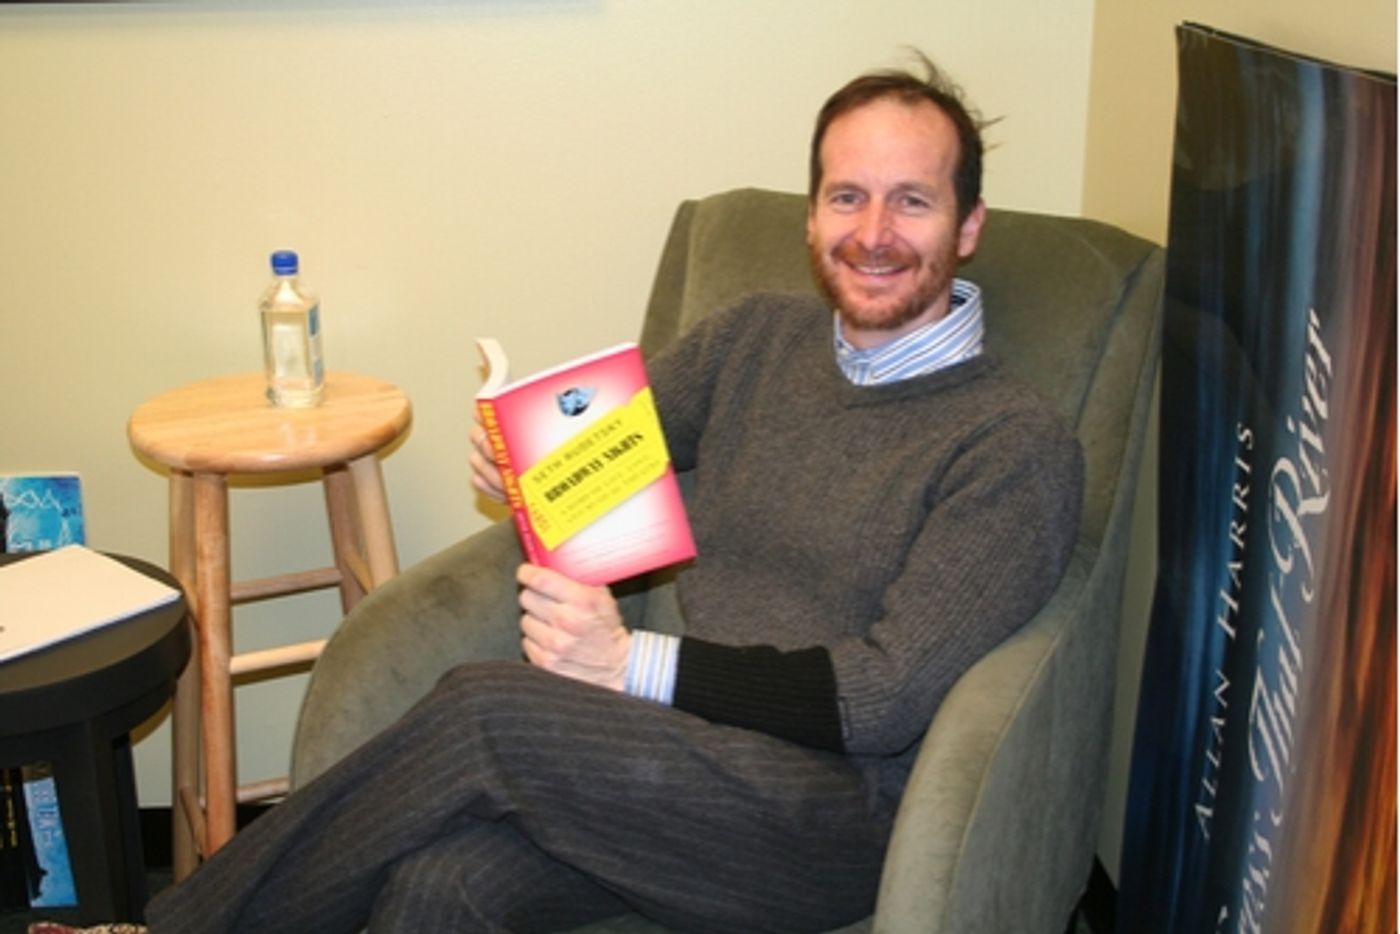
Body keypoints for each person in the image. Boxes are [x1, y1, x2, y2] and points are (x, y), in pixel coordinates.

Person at [132, 51, 1082, 934]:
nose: (873, 234)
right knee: (442, 887)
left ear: (968, 225)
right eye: (847, 197)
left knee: (487, 711)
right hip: (667, 761)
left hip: (837, 814)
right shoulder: (754, 339)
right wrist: (527, 466)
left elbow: (884, 697)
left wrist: (628, 663)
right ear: (811, 217)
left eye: (911, 201)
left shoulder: (1010, 444)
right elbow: (599, 462)